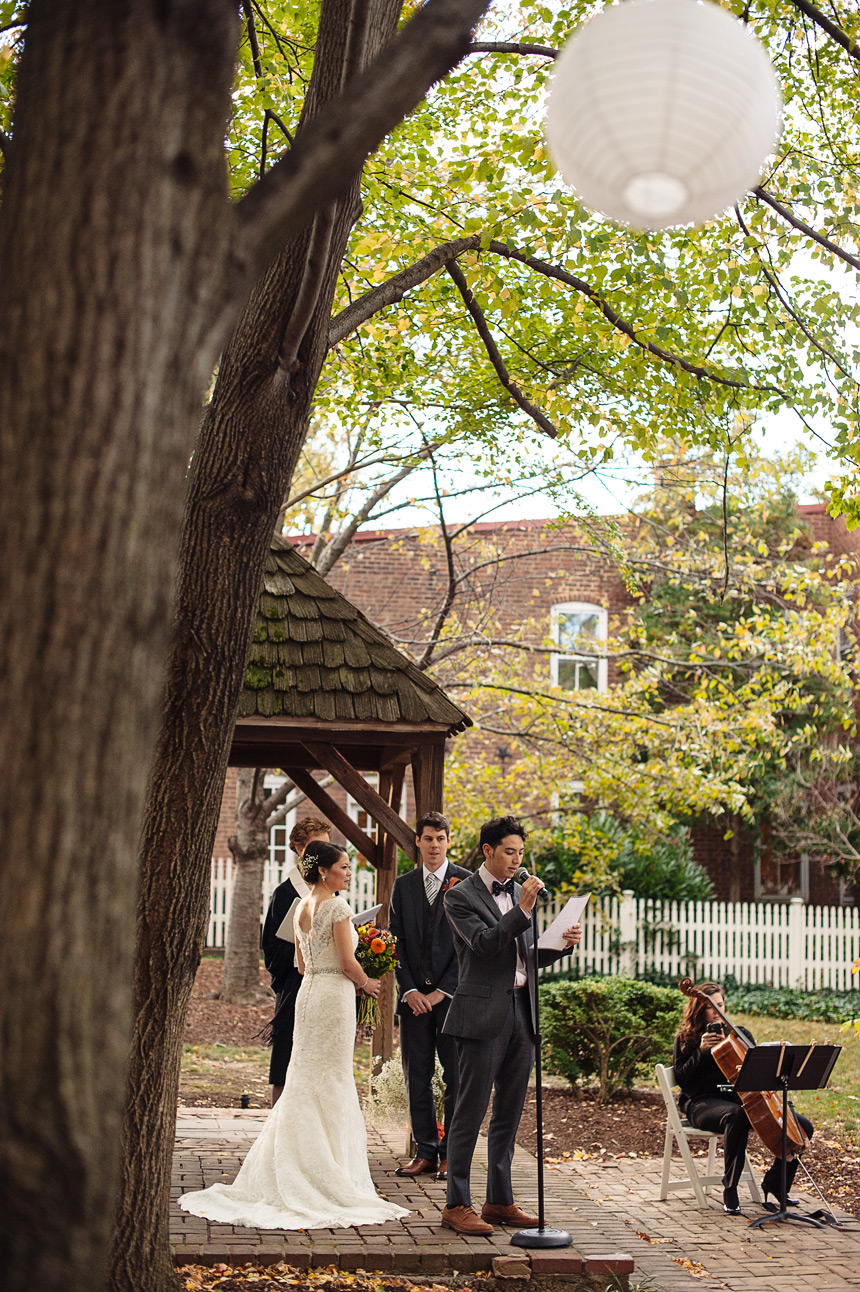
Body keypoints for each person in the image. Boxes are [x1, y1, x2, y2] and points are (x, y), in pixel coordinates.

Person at [179, 841, 409, 1230]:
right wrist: (367, 982)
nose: (349, 872)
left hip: (309, 995)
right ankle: (329, 1169)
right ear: (324, 871)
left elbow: (302, 965)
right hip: (334, 996)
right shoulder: (337, 907)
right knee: (332, 1077)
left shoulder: (301, 905)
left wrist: (335, 971)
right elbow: (350, 961)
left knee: (304, 1077)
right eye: (344, 866)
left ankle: (296, 1159)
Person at [439, 815, 582, 1235]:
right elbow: (484, 946)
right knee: (470, 1110)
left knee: (509, 1114)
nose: (516, 861)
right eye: (509, 852)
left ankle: (499, 1201)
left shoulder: (520, 894)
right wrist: (521, 911)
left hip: (523, 1011)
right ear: (488, 851)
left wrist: (558, 946)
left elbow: (520, 959)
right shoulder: (459, 896)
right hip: (481, 1016)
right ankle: (456, 1204)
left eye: (520, 853)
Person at [673, 981, 814, 1214]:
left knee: (803, 1126)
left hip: (740, 1100)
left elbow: (758, 1072)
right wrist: (700, 1052)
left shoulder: (739, 1034)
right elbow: (682, 1080)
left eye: (721, 1005)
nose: (719, 1012)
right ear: (699, 1010)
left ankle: (776, 1184)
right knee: (736, 1116)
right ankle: (730, 1187)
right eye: (712, 1007)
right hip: (702, 1103)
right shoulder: (687, 1038)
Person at [389, 810, 470, 1182]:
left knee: (456, 1079)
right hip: (413, 1003)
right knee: (416, 1076)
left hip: (452, 1002)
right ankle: (424, 1151)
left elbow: (469, 945)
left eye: (440, 838)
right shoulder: (403, 886)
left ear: (448, 841)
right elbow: (395, 941)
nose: (434, 845)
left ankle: (450, 1155)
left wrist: (442, 990)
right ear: (418, 843)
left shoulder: (466, 883)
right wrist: (408, 989)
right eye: (427, 839)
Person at [261, 816, 331, 1106]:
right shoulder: (285, 893)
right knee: (287, 1058)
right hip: (294, 987)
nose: (324, 853)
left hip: (324, 987)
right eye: (317, 847)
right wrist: (304, 953)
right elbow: (270, 948)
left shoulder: (329, 888)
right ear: (299, 849)